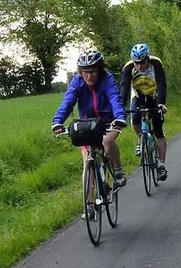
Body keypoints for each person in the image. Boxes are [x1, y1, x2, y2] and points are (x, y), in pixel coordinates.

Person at [51, 49, 127, 187]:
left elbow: (114, 98)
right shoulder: (77, 82)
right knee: (88, 160)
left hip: (109, 121)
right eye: (85, 72)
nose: (89, 76)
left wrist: (120, 118)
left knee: (107, 142)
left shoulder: (107, 79)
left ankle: (118, 170)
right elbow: (68, 102)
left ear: (100, 70)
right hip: (87, 124)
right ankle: (90, 205)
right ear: (80, 72)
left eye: (93, 71)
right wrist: (57, 121)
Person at [120, 42, 169, 182]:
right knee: (134, 119)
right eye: (137, 63)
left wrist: (161, 103)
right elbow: (123, 87)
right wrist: (120, 108)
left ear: (147, 58)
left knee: (158, 131)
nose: (139, 66)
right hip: (138, 96)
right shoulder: (128, 67)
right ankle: (140, 139)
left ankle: (161, 165)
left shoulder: (156, 63)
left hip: (154, 97)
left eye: (142, 62)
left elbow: (161, 83)